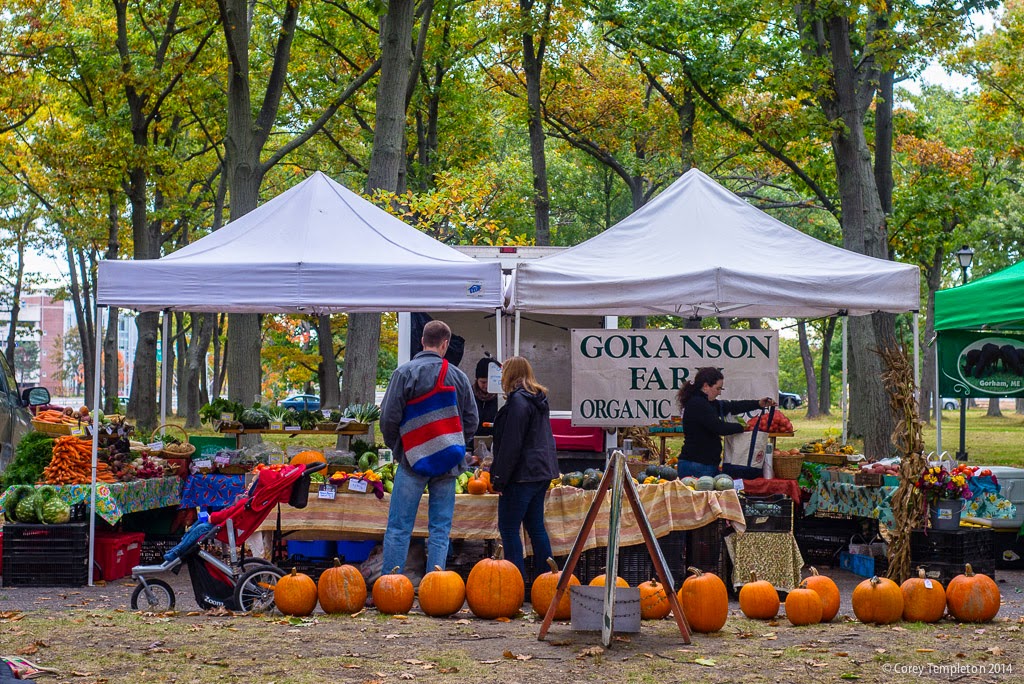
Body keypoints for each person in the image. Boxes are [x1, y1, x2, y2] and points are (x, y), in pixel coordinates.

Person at [380, 320, 479, 576]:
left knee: (399, 527)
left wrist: (402, 448)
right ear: (445, 344)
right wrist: (453, 444)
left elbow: (388, 419)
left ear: (422, 341)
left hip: (412, 461)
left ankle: (391, 585)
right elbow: (472, 420)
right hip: (448, 462)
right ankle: (436, 586)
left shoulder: (404, 373)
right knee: (440, 529)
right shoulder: (459, 376)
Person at [490, 356, 559, 582]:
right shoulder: (537, 399)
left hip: (522, 475)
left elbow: (512, 444)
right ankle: (546, 580)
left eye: (503, 373)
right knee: (535, 526)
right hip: (540, 472)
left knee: (509, 529)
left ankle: (515, 584)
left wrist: (499, 478)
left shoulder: (519, 402)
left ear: (511, 374)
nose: (501, 377)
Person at [675, 366, 775, 479]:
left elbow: (731, 406)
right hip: (697, 465)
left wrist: (758, 404)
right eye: (718, 389)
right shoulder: (698, 404)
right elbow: (719, 427)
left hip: (704, 464)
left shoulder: (707, 402)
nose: (719, 393)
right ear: (706, 386)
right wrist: (741, 427)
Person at [472, 355, 500, 439]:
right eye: (483, 382)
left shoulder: (501, 397)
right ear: (477, 380)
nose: (486, 386)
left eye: (489, 382)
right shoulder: (470, 395)